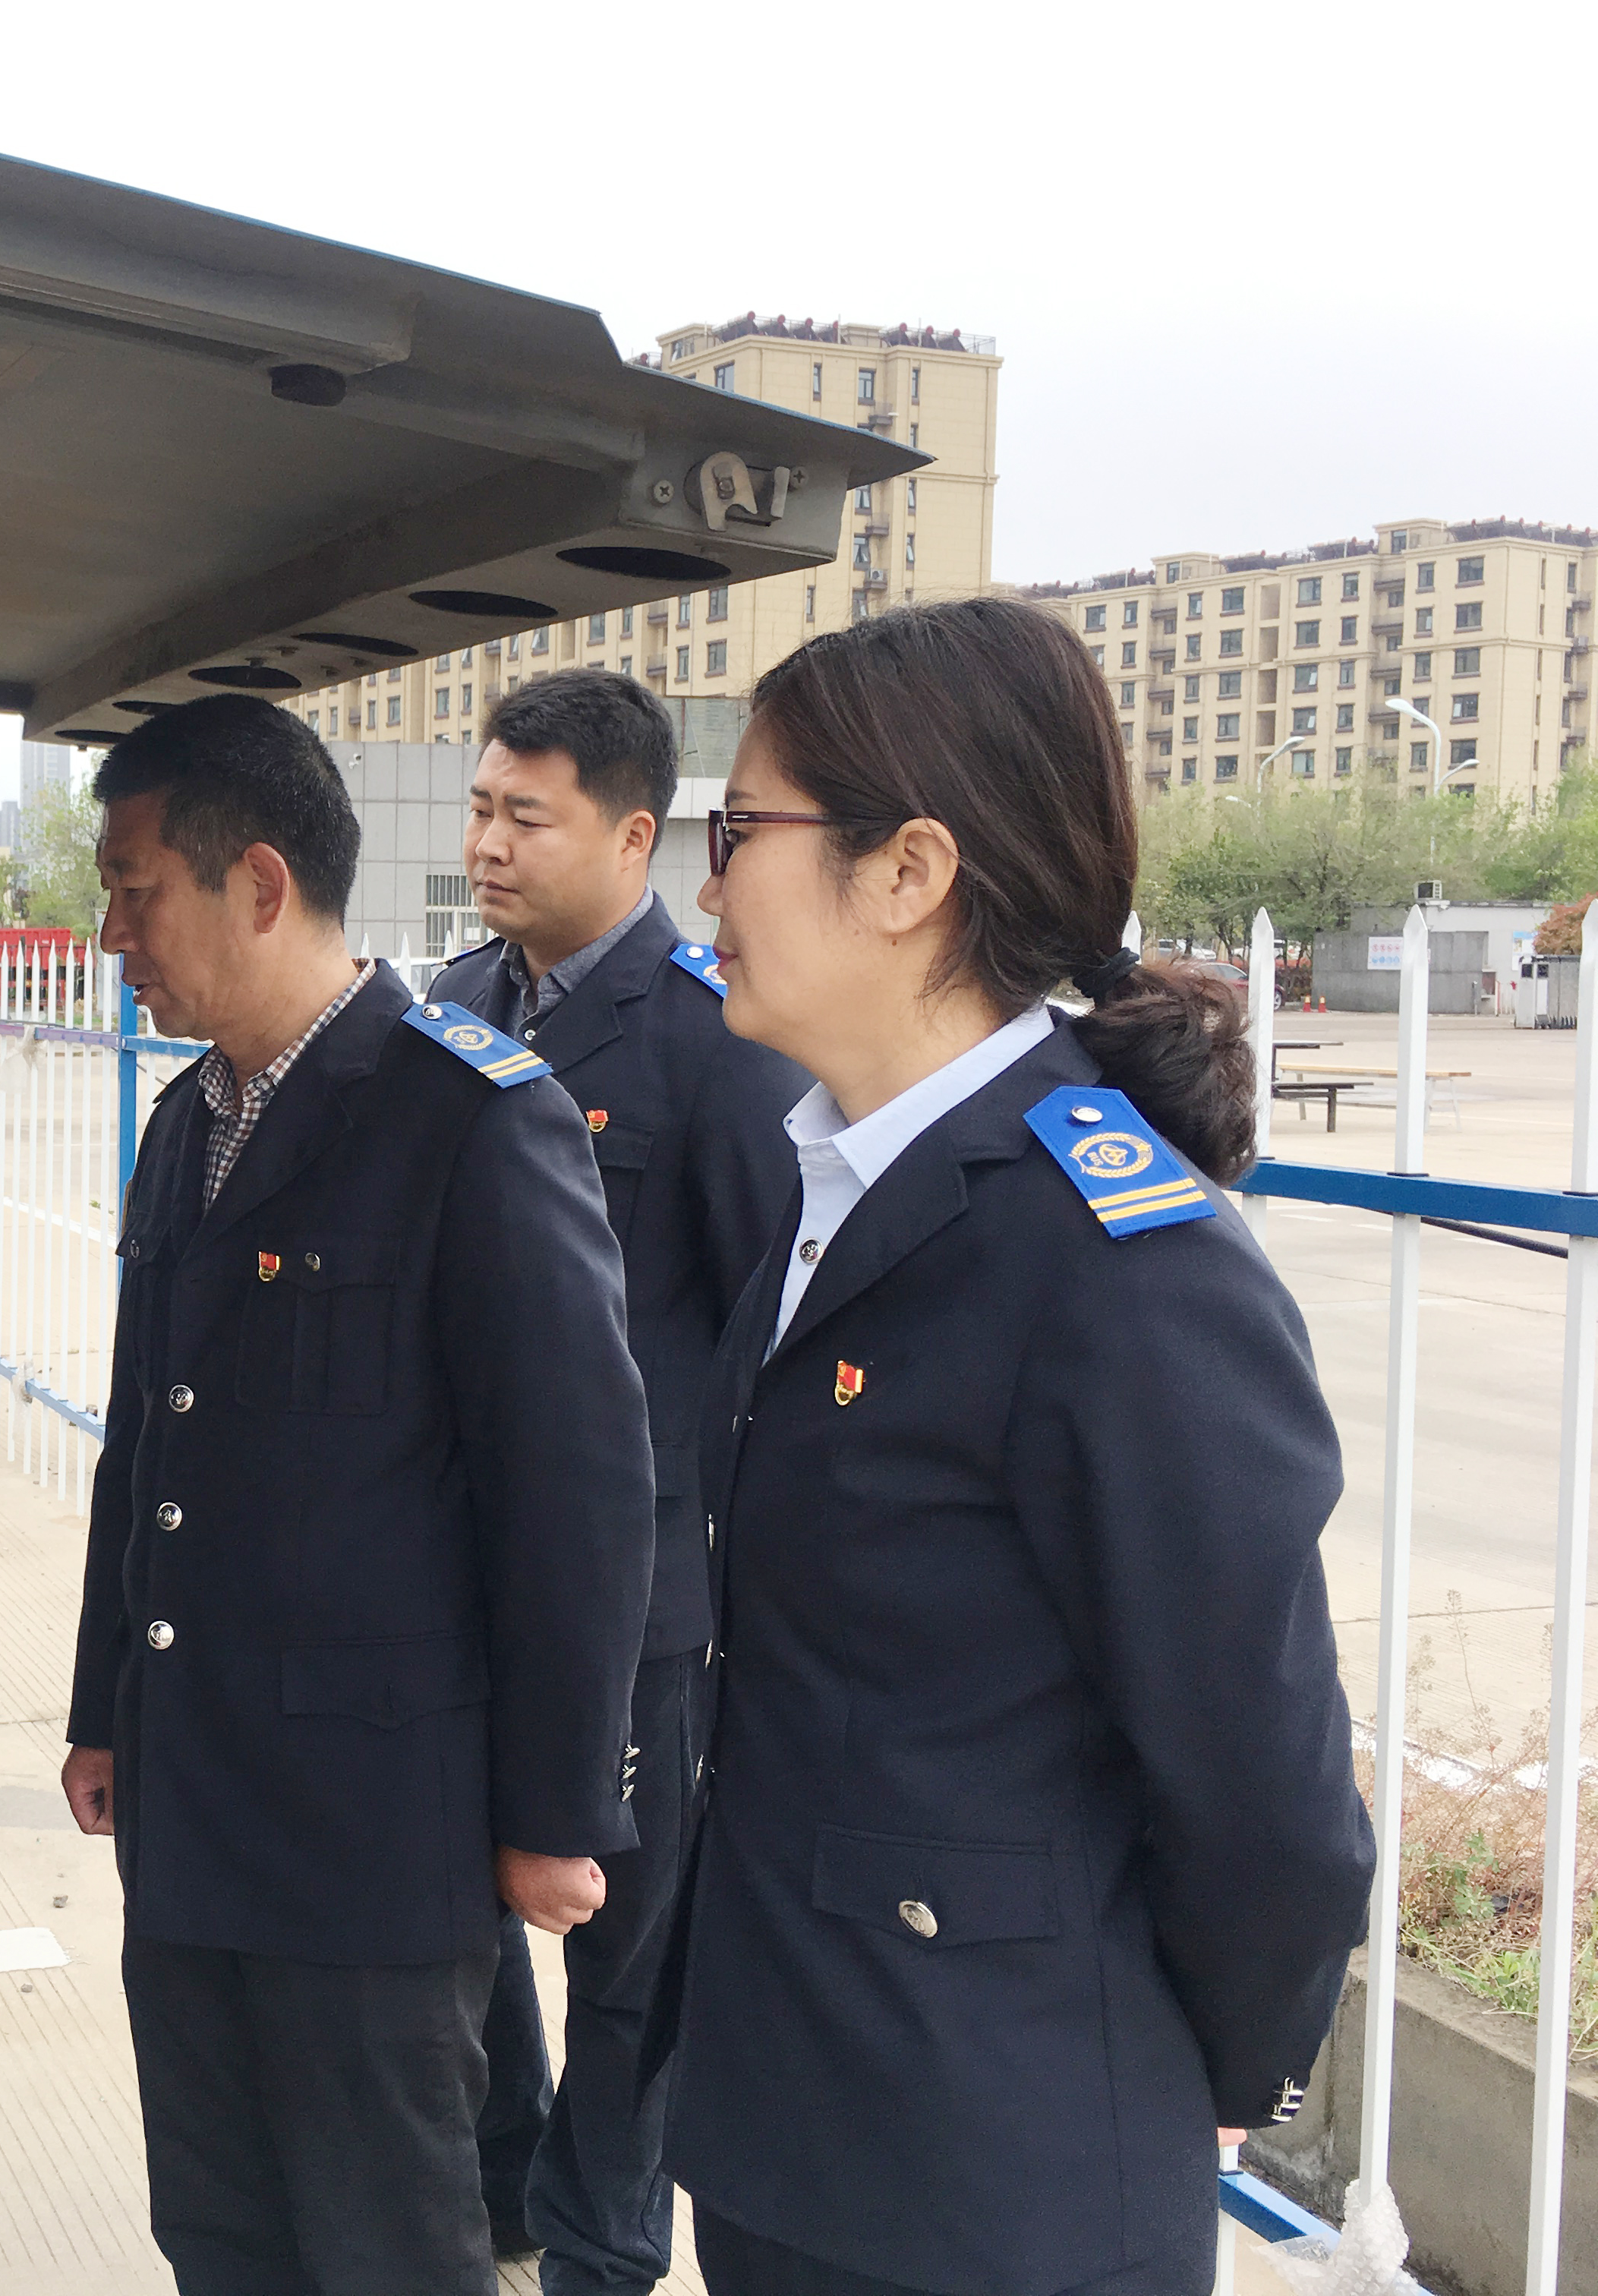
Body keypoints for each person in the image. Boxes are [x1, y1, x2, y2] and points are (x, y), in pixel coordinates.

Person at [664, 599, 1374, 2294]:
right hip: (792, 2121)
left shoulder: (1119, 1267)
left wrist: (1205, 2069)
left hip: (997, 2171)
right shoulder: (829, 1187)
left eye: (739, 832)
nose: (708, 890)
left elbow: (1264, 1790)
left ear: (908, 873)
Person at [58, 693, 656, 2296]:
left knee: (382, 2238)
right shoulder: (189, 1122)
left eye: (135, 893)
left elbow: (577, 1496)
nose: (112, 935)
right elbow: (145, 1447)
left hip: (369, 1835)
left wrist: (553, 1815)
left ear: (257, 884)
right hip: (193, 1801)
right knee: (219, 2228)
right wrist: (106, 1710)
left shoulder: (469, 1117)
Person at [430, 671, 807, 2288]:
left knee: (628, 1956)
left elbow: (763, 1332)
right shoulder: (456, 1000)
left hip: (638, 1602)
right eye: (481, 809)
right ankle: (508, 2179)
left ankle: (601, 2247)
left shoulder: (709, 1037)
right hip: (455, 1570)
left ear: (636, 836)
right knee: (461, 1902)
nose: (488, 844)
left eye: (528, 817)